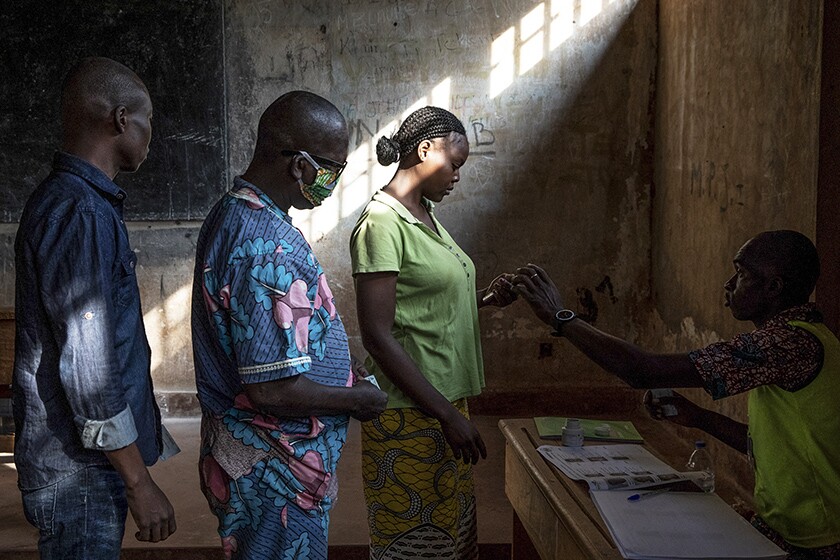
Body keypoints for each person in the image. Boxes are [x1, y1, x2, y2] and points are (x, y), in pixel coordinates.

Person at [513, 230, 840, 560]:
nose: (729, 284)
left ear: (773, 287)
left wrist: (560, 316)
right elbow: (769, 446)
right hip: (789, 528)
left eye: (741, 274)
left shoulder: (790, 345)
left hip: (816, 542)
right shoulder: (802, 339)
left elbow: (643, 370)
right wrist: (698, 417)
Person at [191, 91, 388, 560]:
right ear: (299, 165)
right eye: (332, 169)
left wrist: (341, 359)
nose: (335, 182)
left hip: (261, 461)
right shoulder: (264, 243)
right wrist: (358, 399)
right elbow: (272, 390)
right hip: (274, 468)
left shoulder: (236, 212)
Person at [12, 57, 177, 559]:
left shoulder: (79, 203)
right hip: (79, 475)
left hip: (80, 469)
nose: (151, 136)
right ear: (121, 119)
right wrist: (138, 482)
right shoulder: (81, 210)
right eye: (148, 122)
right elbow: (88, 369)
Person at [349, 106, 516, 560]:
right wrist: (446, 415)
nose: (457, 178)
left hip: (441, 403)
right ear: (425, 150)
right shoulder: (382, 223)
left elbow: (421, 305)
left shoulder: (422, 214)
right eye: (454, 165)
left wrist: (482, 299)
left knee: (451, 539)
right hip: (411, 414)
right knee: (416, 544)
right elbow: (378, 336)